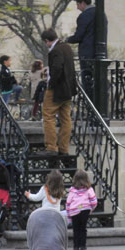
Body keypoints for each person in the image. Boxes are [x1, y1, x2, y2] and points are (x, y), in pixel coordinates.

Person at [41, 28, 76, 156]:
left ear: (46, 40)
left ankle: (51, 147)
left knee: (48, 115)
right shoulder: (66, 47)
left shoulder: (55, 50)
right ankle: (64, 148)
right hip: (68, 89)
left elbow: (57, 68)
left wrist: (51, 84)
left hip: (57, 89)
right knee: (66, 118)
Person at [66, 0, 106, 94]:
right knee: (99, 84)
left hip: (87, 55)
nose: (77, 7)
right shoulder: (101, 14)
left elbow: (79, 36)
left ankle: (91, 108)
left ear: (83, 3)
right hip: (101, 54)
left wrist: (67, 40)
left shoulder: (84, 16)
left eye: (77, 4)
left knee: (88, 84)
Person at [66, 169, 97, 250]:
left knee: (76, 229)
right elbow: (94, 201)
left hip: (74, 211)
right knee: (83, 228)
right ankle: (83, 245)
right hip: (85, 210)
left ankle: (76, 245)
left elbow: (68, 203)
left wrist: (68, 215)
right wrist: (91, 208)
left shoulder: (72, 190)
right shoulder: (89, 189)